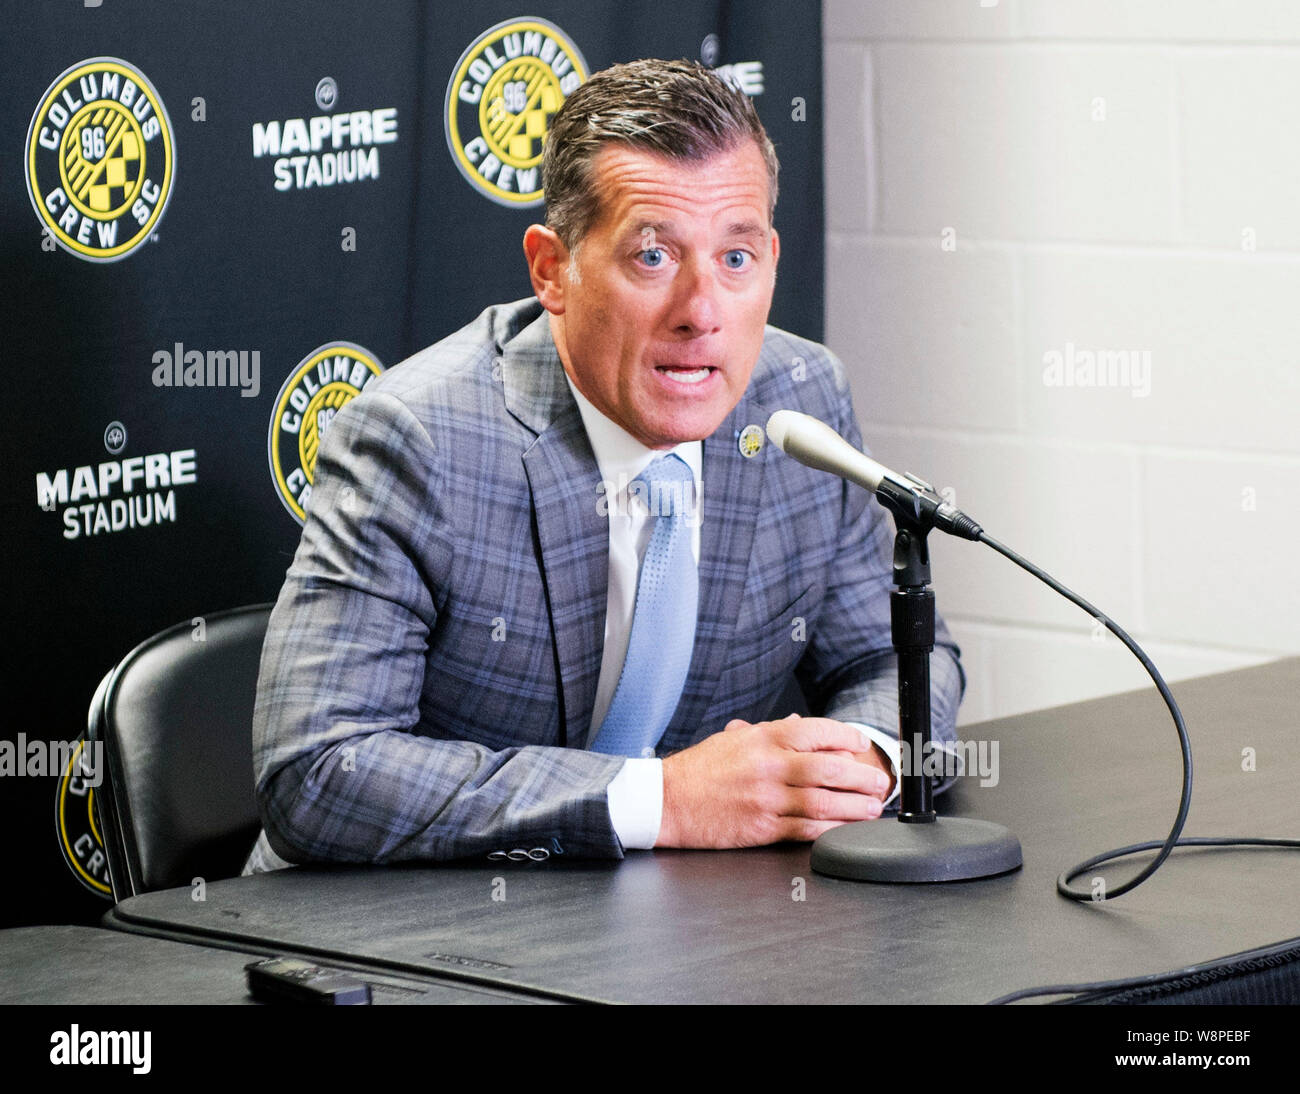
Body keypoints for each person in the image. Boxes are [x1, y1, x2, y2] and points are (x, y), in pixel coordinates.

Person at [245, 58, 964, 872]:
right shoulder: (421, 439)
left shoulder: (799, 403)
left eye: (735, 260)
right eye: (653, 257)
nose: (701, 314)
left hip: (675, 934)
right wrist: (664, 800)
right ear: (553, 270)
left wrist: (860, 763)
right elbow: (317, 770)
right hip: (399, 938)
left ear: (770, 257)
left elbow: (895, 658)